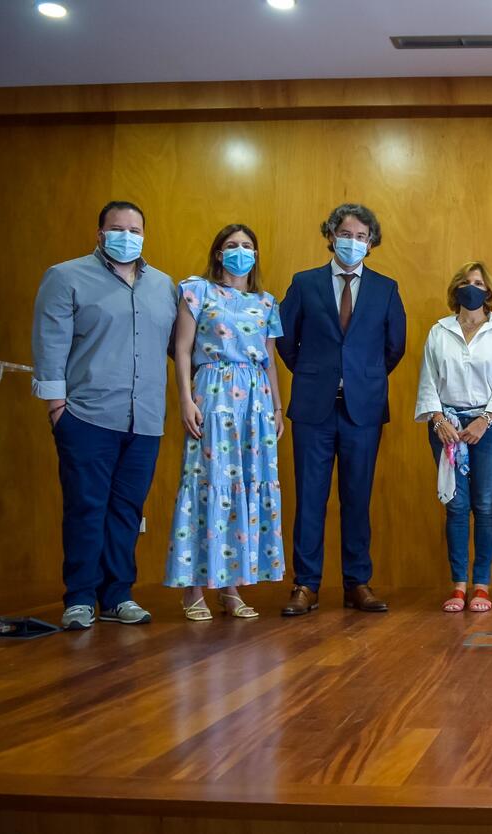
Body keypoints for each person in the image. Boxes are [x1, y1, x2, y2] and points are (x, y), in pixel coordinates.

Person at [31, 200, 178, 629]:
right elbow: (50, 343)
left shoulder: (164, 286)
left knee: (127, 511)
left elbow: (180, 347)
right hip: (86, 416)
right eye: (117, 228)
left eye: (135, 230)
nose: (126, 236)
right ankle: (79, 598)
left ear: (144, 236)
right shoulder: (66, 277)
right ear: (100, 234)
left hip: (145, 419)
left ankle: (117, 596)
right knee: (86, 508)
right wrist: (57, 407)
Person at [276, 203, 407, 616]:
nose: (353, 242)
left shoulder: (386, 288)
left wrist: (360, 378)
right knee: (309, 499)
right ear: (331, 236)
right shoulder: (304, 283)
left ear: (371, 244)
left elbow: (395, 346)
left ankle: (358, 583)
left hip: (362, 411)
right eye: (346, 234)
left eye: (361, 237)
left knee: (357, 498)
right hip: (313, 408)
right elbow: (285, 340)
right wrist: (315, 372)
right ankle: (305, 584)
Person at [164, 224, 286, 620]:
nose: (240, 251)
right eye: (232, 245)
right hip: (213, 393)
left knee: (246, 483)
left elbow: (270, 361)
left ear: (256, 254)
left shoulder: (267, 302)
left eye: (247, 245)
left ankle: (231, 586)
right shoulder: (196, 291)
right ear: (218, 253)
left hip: (255, 401)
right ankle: (193, 589)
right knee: (208, 480)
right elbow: (182, 349)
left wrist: (277, 408)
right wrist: (186, 399)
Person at [415, 262, 492, 613]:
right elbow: (428, 380)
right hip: (445, 426)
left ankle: (482, 585)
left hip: (489, 427)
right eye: (465, 281)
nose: (471, 287)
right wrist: (437, 419)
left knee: (485, 504)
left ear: (488, 291)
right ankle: (458, 585)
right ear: (455, 289)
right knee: (456, 506)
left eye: (478, 282)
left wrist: (484, 420)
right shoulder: (439, 331)